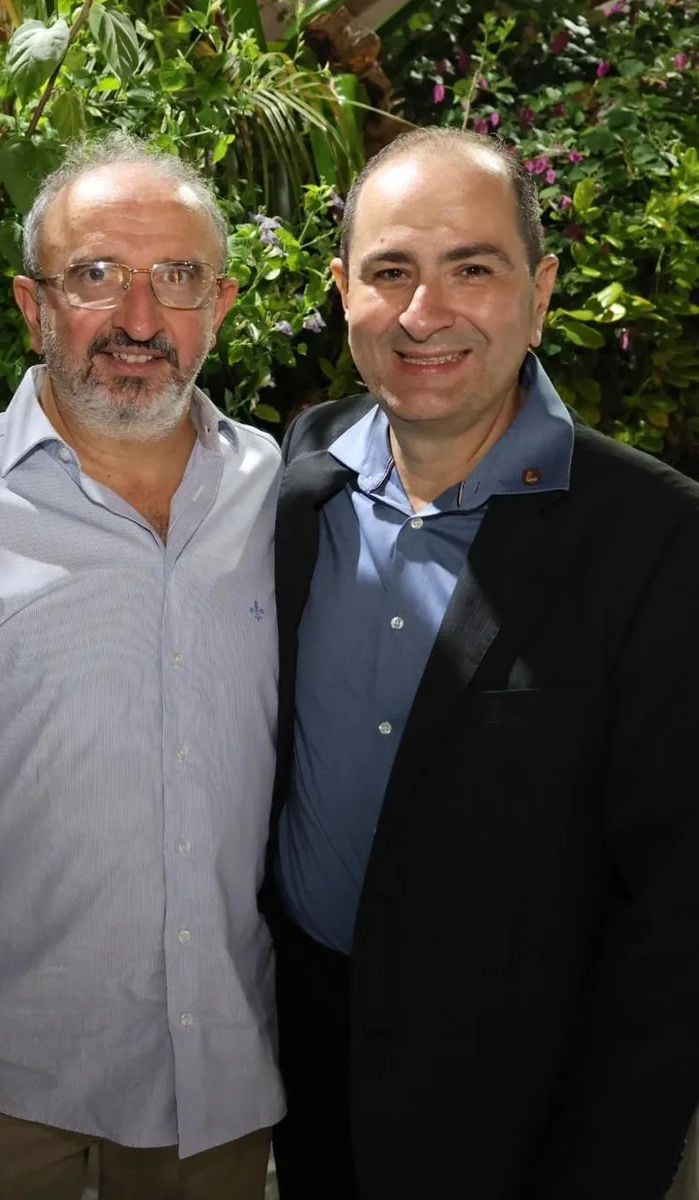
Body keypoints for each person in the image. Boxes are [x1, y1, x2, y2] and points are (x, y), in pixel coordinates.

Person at [0, 133, 284, 1200]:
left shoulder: (275, 492)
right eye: (94, 275)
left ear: (220, 305)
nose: (138, 319)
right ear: (31, 304)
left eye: (175, 277)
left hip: (218, 1077)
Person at [266, 125, 699, 1200]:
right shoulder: (296, 476)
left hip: (515, 1098)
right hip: (301, 1062)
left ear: (538, 292)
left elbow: (675, 915)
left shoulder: (654, 537)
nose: (425, 314)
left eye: (472, 269)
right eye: (390, 272)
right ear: (340, 291)